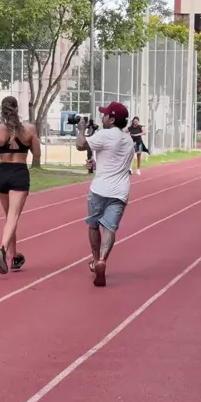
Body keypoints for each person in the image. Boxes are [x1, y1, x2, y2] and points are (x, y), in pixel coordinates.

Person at [0, 96, 41, 275]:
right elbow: (37, 154)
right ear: (17, 109)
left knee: (9, 218)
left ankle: (14, 256)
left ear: (2, 110)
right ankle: (2, 249)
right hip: (19, 172)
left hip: (2, 173)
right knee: (13, 217)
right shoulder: (29, 129)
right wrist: (29, 142)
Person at [76, 102, 134, 288]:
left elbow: (80, 145)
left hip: (99, 190)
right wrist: (95, 165)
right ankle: (102, 259)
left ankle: (95, 260)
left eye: (105, 115)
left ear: (112, 119)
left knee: (93, 225)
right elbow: (116, 162)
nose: (103, 117)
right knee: (110, 228)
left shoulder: (105, 134)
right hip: (120, 191)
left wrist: (81, 129)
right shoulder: (128, 140)